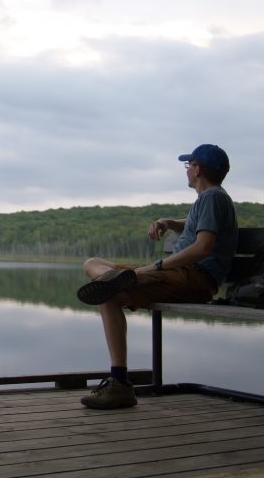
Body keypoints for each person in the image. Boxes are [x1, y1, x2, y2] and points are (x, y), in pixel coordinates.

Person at [76, 144, 238, 410]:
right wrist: (168, 222)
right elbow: (195, 226)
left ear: (197, 169)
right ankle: (117, 279)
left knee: (107, 293)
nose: (187, 170)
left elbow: (203, 247)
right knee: (93, 265)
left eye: (189, 165)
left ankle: (120, 385)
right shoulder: (212, 198)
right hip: (180, 275)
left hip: (193, 278)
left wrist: (157, 266)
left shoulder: (212, 198)